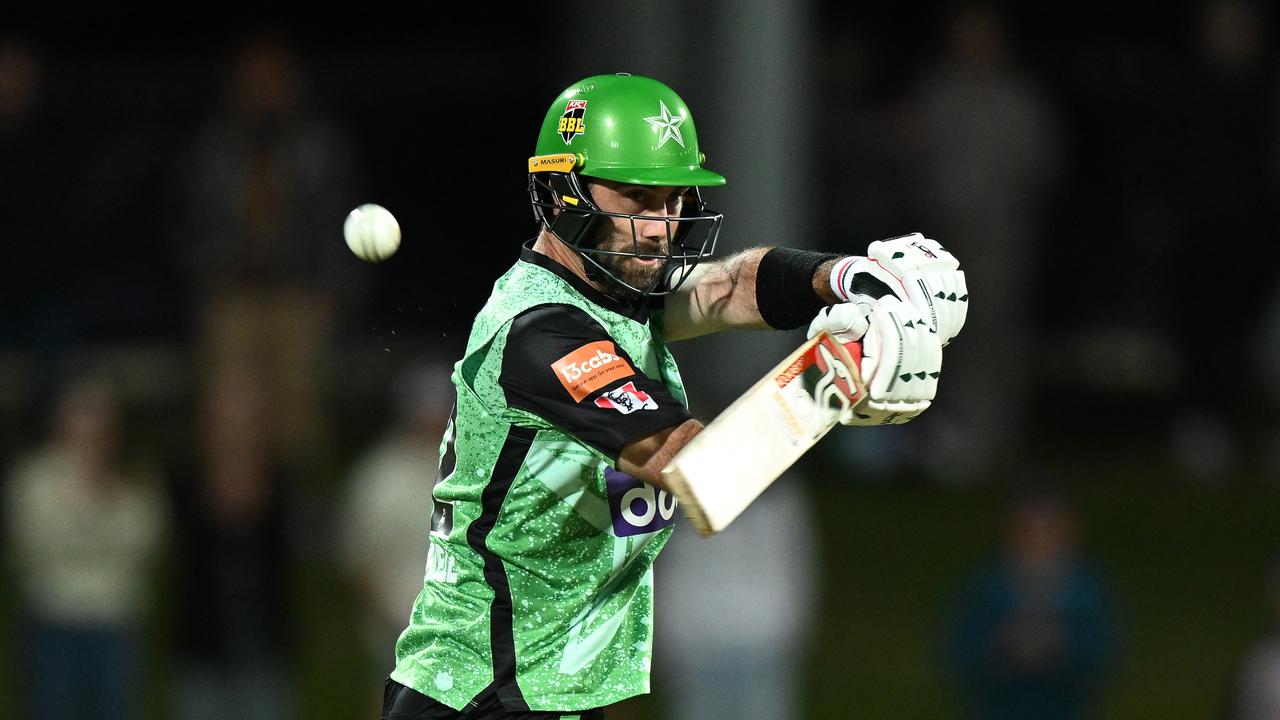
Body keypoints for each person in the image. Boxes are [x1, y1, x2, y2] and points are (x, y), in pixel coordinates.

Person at [382, 73, 969, 719]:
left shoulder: (607, 286)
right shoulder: (541, 332)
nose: (660, 229)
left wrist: (852, 277)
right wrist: (831, 382)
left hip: (535, 688)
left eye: (671, 200)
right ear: (558, 193)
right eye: (635, 198)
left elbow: (730, 283)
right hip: (479, 692)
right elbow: (703, 475)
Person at [4, 377, 168, 720]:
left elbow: (146, 542)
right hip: (53, 616)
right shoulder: (34, 478)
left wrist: (94, 512)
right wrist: (92, 522)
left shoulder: (133, 477)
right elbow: (36, 544)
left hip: (116, 617)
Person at [943, 486, 1121, 720]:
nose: (1039, 542)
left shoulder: (1087, 591)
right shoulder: (989, 588)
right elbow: (962, 649)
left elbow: (1103, 652)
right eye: (1029, 532)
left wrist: (1061, 648)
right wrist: (1001, 648)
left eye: (1049, 531)